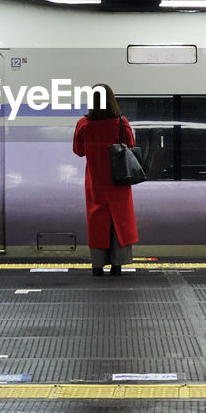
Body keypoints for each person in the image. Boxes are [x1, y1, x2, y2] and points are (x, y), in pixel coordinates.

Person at [72, 83, 140, 276]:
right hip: (119, 179)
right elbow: (131, 144)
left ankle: (97, 265)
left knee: (97, 220)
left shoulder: (83, 124)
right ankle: (117, 265)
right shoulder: (121, 122)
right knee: (118, 220)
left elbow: (78, 151)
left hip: (95, 180)